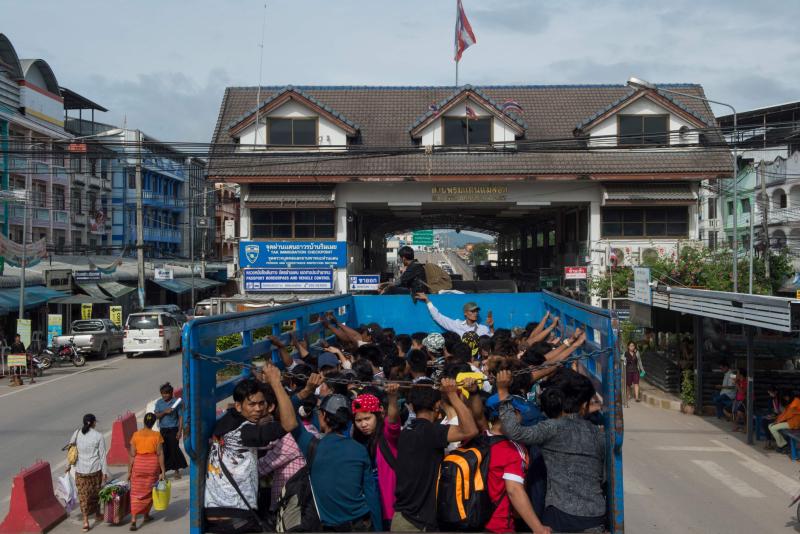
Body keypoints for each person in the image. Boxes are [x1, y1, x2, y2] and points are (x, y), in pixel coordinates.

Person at [497, 369, 606, 533]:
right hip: (595, 516)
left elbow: (514, 431)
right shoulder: (597, 434)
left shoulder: (552, 428)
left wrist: (503, 392)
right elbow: (602, 476)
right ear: (583, 405)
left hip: (561, 516)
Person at [204, 367, 298, 533]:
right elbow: (290, 424)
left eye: (261, 403)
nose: (258, 409)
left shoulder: (228, 421)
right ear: (239, 406)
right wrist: (276, 383)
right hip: (237, 515)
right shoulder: (244, 432)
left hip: (216, 512)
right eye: (252, 404)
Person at [292, 376, 382, 532]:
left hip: (328, 527)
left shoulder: (311, 445)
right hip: (360, 523)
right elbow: (371, 494)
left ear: (324, 416)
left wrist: (306, 391)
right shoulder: (359, 450)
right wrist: (379, 529)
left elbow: (287, 413)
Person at [392, 378, 479, 532]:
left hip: (401, 518)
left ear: (411, 406)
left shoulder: (406, 432)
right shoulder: (431, 432)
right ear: (437, 405)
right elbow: (470, 430)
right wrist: (452, 395)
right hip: (417, 524)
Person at [483, 395, 550, 534]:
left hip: (474, 519)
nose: (521, 418)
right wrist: (538, 528)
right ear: (509, 416)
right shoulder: (512, 449)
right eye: (519, 413)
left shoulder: (479, 439)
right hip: (499, 525)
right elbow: (514, 490)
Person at [351, 385, 402, 530]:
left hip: (389, 507)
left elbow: (393, 423)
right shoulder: (358, 442)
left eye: (367, 418)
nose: (363, 424)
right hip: (368, 508)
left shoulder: (387, 437)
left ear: (379, 415)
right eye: (358, 420)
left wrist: (392, 398)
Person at [69, 414, 108, 532]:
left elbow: (71, 446)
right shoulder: (98, 436)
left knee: (83, 496)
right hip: (95, 470)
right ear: (93, 423)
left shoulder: (76, 433)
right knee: (96, 493)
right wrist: (104, 472)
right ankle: (97, 514)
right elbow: (102, 456)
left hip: (80, 471)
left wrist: (69, 465)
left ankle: (85, 521)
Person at [128, 413, 166, 531]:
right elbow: (160, 454)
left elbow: (132, 455)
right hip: (151, 465)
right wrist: (163, 471)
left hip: (139, 464)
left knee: (135, 491)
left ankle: (133, 520)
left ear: (144, 422)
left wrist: (129, 472)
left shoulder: (135, 435)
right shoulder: (157, 435)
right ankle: (146, 515)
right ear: (154, 423)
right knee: (150, 490)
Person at [414, 293, 493, 337]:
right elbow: (438, 317)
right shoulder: (457, 324)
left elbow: (492, 342)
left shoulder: (483, 329)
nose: (475, 313)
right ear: (465, 313)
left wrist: (491, 327)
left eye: (476, 311)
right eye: (472, 311)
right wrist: (427, 301)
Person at [154, 382, 187, 479]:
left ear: (171, 393)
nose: (164, 395)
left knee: (174, 449)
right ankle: (163, 472)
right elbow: (156, 416)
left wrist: (180, 431)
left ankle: (176, 471)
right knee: (163, 450)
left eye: (166, 393)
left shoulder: (177, 402)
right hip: (163, 430)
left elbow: (181, 417)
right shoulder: (159, 403)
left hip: (173, 429)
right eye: (163, 393)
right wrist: (164, 412)